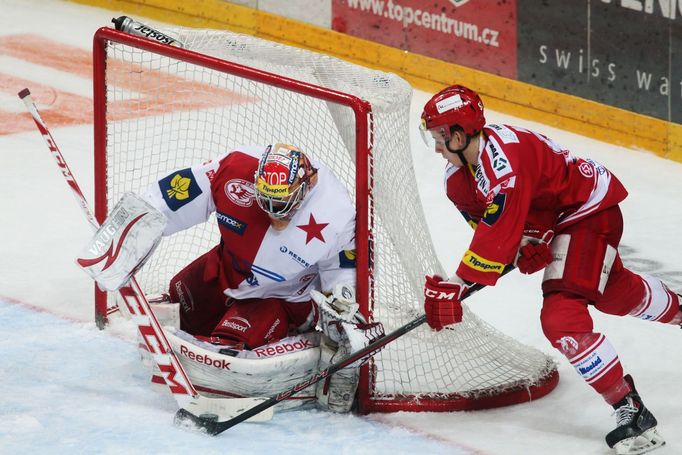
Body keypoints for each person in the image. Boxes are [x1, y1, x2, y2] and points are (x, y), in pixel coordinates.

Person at [419, 84, 680, 454]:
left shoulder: (504, 163)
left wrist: (457, 284)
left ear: (461, 135)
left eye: (441, 137)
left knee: (561, 316)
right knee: (612, 292)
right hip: (560, 218)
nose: (436, 146)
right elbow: (499, 233)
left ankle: (631, 410)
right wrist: (525, 244)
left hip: (587, 210)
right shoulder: (457, 181)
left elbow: (496, 234)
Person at [77, 143, 383, 413]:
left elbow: (344, 272)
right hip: (226, 270)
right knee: (181, 299)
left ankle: (268, 340)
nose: (275, 215)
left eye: (283, 205)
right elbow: (173, 194)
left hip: (282, 299)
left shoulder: (338, 211)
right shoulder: (234, 168)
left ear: (305, 185)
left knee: (231, 343)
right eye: (267, 202)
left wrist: (341, 315)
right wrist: (128, 235)